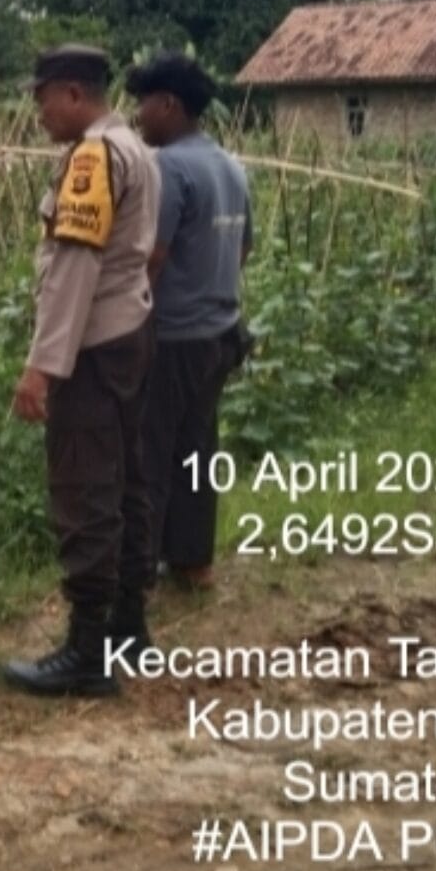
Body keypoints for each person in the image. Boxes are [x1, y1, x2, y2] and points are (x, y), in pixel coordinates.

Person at [2, 44, 160, 697]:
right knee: (127, 477)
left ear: (72, 94)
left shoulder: (94, 158)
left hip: (93, 346)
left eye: (42, 100)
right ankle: (127, 624)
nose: (38, 113)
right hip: (130, 331)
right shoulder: (136, 148)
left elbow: (73, 270)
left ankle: (87, 652)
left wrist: (42, 367)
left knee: (85, 487)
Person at [125, 51, 253, 592]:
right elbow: (242, 249)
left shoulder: (167, 167)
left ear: (169, 105)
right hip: (221, 333)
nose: (138, 117)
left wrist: (127, 320)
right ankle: (192, 562)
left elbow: (152, 257)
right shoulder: (230, 166)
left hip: (174, 335)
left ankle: (140, 571)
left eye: (144, 105)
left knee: (149, 452)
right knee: (198, 449)